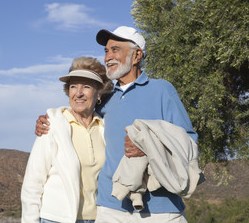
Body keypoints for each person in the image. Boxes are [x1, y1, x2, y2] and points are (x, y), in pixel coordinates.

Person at [35, 26, 198, 222]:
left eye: (115, 50)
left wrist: (149, 148)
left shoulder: (162, 90)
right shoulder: (104, 98)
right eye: (106, 51)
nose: (107, 57)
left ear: (136, 55)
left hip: (161, 208)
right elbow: (79, 113)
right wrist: (51, 119)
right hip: (111, 208)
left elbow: (189, 141)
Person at [21, 56, 113, 223]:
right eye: (73, 87)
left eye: (86, 87)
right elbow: (32, 185)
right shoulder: (52, 125)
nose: (78, 93)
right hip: (56, 219)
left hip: (98, 218)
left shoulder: (104, 128)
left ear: (99, 92)